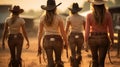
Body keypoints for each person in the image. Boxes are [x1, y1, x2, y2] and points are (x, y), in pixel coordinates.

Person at [38, 0, 68, 67]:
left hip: (47, 40)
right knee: (58, 61)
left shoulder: (42, 18)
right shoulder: (59, 17)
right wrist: (66, 42)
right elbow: (63, 32)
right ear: (55, 8)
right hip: (57, 40)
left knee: (50, 62)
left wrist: (38, 45)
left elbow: (40, 32)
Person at [84, 0, 114, 67]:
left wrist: (85, 42)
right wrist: (112, 40)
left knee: (94, 60)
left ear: (93, 5)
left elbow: (87, 30)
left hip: (93, 39)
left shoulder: (89, 15)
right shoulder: (108, 15)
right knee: (101, 61)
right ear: (103, 5)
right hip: (104, 39)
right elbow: (111, 30)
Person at [65, 3, 85, 67]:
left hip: (72, 35)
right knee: (79, 52)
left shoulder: (69, 18)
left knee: (73, 53)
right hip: (80, 35)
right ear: (78, 10)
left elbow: (66, 29)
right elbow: (85, 28)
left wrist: (64, 38)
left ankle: (73, 64)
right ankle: (78, 64)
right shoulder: (82, 18)